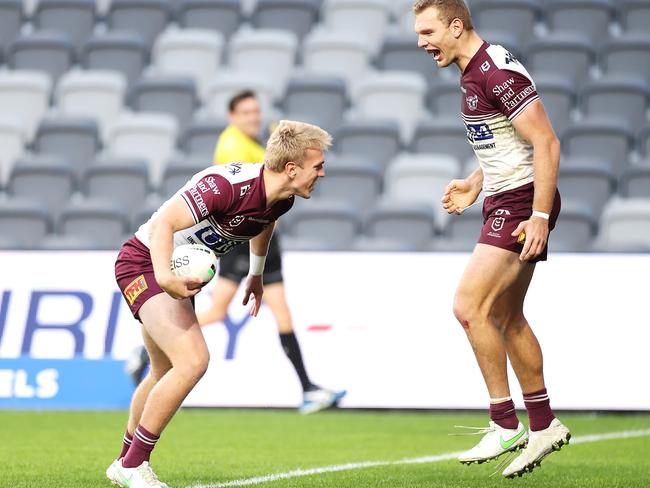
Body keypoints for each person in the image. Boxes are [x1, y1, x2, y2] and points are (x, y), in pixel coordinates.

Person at [107, 120, 332, 488]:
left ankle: (124, 462)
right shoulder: (227, 185)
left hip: (172, 273)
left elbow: (264, 223)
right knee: (193, 361)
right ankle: (134, 464)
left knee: (164, 372)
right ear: (292, 168)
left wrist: (256, 276)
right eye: (317, 166)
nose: (322, 172)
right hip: (145, 262)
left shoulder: (283, 198)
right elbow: (164, 223)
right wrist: (164, 277)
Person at [414, 0, 570, 478]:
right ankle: (543, 425)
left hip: (522, 204)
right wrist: (474, 181)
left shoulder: (495, 71)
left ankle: (504, 421)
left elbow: (546, 142)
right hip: (503, 197)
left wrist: (540, 215)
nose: (421, 43)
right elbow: (507, 144)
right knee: (506, 316)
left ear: (456, 26)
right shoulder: (471, 75)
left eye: (428, 32)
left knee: (468, 306)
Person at [127, 90, 346, 414]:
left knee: (281, 312)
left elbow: (268, 206)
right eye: (246, 113)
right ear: (233, 117)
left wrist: (255, 274)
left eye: (256, 112)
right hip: (235, 234)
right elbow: (238, 193)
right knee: (216, 316)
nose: (253, 118)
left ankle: (308, 387)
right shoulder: (233, 145)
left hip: (259, 233)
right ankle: (150, 350)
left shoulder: (271, 174)